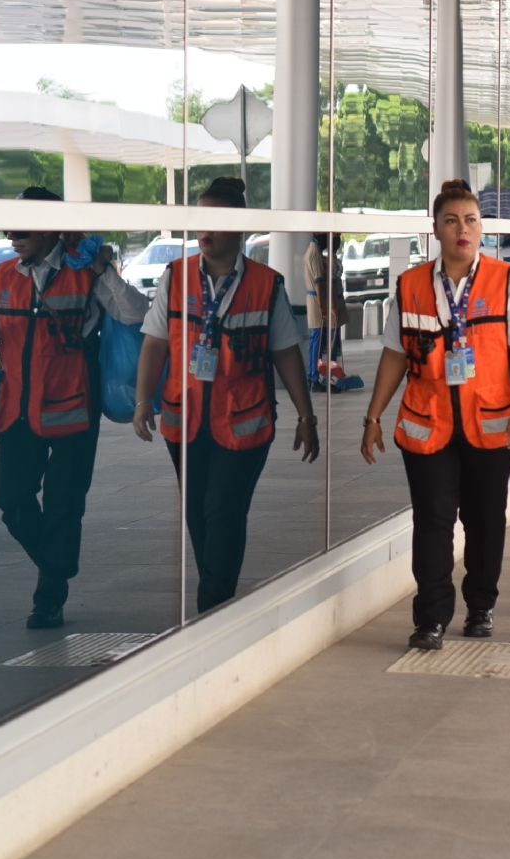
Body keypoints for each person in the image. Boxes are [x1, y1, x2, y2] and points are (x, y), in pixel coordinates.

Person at [360, 179, 510, 651]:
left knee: (485, 519)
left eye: (471, 220)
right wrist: (374, 416)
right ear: (435, 230)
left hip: (492, 420)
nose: (462, 229)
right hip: (428, 421)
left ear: (481, 228)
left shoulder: (506, 280)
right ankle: (431, 617)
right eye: (451, 221)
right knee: (433, 518)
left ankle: (481, 604)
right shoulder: (412, 284)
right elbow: (395, 355)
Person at [134, 177, 320, 613]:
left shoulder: (265, 284)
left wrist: (306, 416)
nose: (205, 230)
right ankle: (218, 599)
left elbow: (285, 353)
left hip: (245, 424)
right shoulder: (175, 276)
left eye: (216, 221)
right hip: (185, 422)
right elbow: (155, 342)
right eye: (200, 220)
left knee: (222, 510)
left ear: (240, 228)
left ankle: (211, 608)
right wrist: (144, 400)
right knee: (198, 514)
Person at [0, 186, 149, 629]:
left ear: (51, 228)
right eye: (9, 226)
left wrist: (104, 269)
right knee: (10, 500)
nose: (13, 234)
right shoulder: (1, 276)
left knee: (64, 505)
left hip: (72, 407)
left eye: (24, 226)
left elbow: (136, 313)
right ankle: (57, 565)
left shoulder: (85, 273)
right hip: (15, 411)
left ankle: (48, 598)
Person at [305, 232, 349, 392]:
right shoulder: (315, 252)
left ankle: (314, 376)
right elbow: (320, 282)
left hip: (319, 302)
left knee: (317, 342)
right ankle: (317, 378)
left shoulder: (318, 252)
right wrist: (326, 307)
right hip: (319, 303)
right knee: (320, 343)